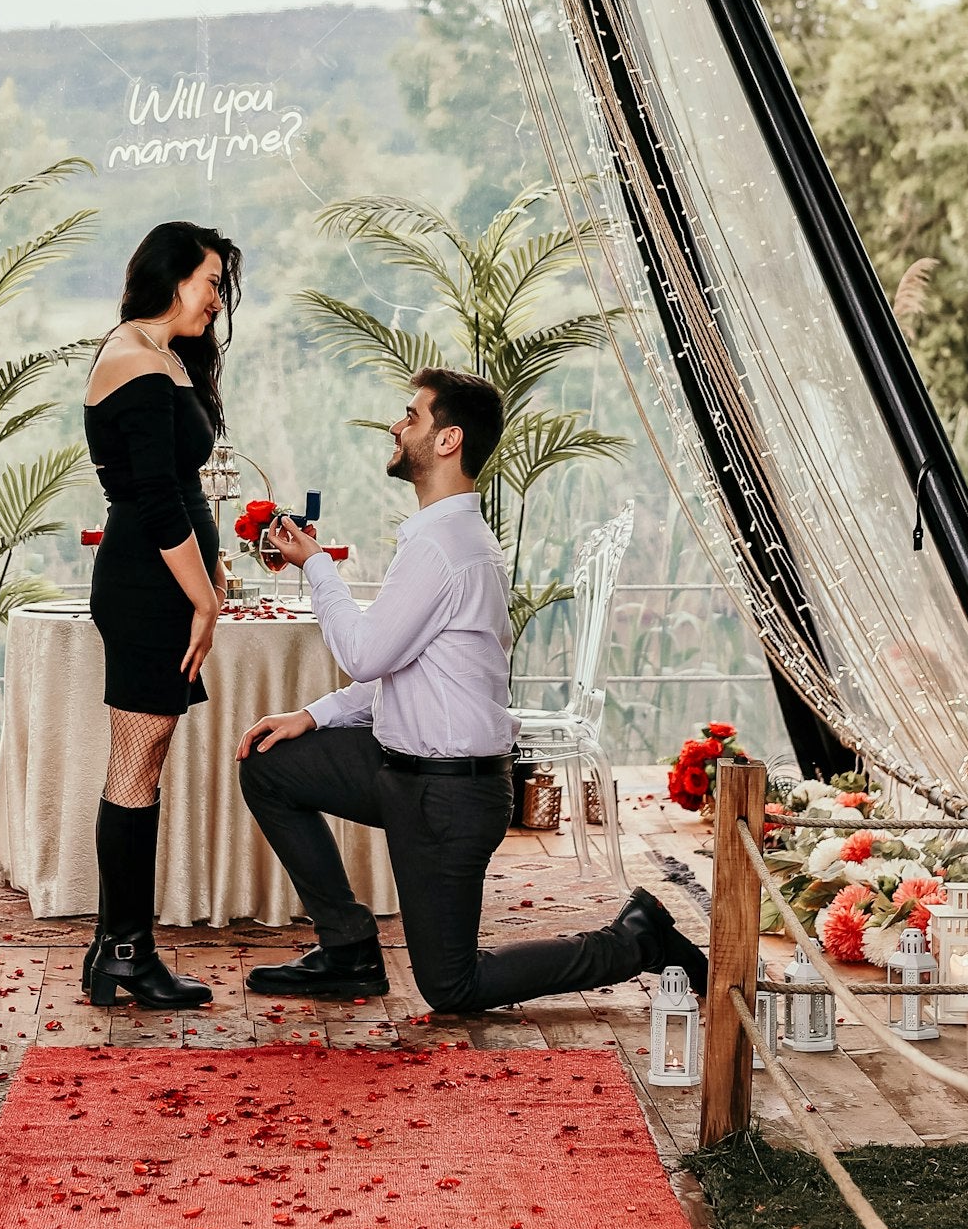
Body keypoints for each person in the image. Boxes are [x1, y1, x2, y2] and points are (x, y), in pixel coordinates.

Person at [236, 365, 708, 1014]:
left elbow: (367, 654)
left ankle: (636, 939)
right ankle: (348, 947)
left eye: (412, 416)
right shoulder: (441, 539)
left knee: (452, 987)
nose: (397, 427)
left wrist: (318, 565)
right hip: (399, 769)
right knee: (270, 766)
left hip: (448, 794)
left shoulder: (444, 546)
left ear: (449, 439)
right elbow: (407, 672)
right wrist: (313, 716)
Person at [82, 220, 241, 1009]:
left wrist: (211, 567)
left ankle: (118, 950)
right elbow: (148, 499)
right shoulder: (134, 360)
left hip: (163, 583)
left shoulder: (161, 355)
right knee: (136, 766)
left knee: (141, 764)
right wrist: (203, 596)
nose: (218, 298)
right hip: (148, 590)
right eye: (210, 280)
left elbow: (179, 488)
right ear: (171, 275)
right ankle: (124, 955)